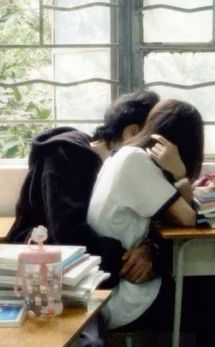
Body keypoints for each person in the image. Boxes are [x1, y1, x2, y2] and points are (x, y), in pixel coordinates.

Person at [6, 90, 160, 347]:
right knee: (89, 340)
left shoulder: (116, 168)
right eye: (151, 145)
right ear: (133, 133)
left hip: (85, 271)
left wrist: (148, 250)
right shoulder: (65, 155)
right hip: (46, 270)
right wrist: (125, 259)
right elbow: (66, 234)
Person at [87, 99, 204, 335]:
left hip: (111, 286)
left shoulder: (121, 156)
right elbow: (188, 218)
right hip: (124, 296)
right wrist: (180, 173)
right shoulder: (136, 162)